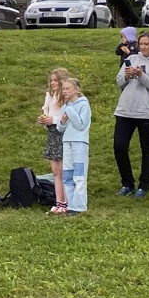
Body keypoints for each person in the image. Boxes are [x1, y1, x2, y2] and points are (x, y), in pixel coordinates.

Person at [113, 30, 149, 199]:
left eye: (146, 44)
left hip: (147, 113)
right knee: (119, 147)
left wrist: (141, 75)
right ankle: (127, 183)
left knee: (147, 149)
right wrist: (128, 76)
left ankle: (144, 185)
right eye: (140, 44)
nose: (143, 47)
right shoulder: (133, 58)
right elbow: (119, 81)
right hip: (125, 110)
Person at [37, 68, 71, 213]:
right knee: (55, 170)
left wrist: (54, 119)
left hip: (63, 134)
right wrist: (44, 120)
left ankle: (67, 202)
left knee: (64, 170)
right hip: (52, 133)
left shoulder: (67, 98)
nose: (52, 83)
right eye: (51, 80)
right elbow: (47, 114)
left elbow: (69, 118)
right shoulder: (49, 97)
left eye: (55, 80)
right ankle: (58, 203)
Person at [57, 76, 91, 215]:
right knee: (68, 174)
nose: (65, 91)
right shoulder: (65, 106)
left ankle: (80, 206)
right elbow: (60, 128)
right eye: (63, 89)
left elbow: (81, 124)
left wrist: (70, 112)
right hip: (67, 141)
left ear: (76, 90)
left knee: (79, 174)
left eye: (68, 88)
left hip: (79, 142)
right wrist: (63, 121)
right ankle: (71, 205)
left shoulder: (83, 104)